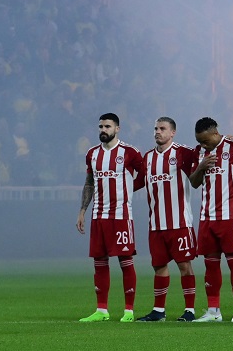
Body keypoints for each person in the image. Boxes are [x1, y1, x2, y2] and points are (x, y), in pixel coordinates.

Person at [75, 113, 144, 323]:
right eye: (100, 127)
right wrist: (82, 211)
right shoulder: (92, 154)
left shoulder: (130, 152)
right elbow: (89, 182)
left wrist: (130, 191)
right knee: (99, 261)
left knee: (125, 260)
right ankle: (101, 310)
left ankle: (129, 311)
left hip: (121, 216)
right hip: (98, 216)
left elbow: (143, 175)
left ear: (117, 129)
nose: (103, 130)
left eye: (107, 126)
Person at [190, 117, 233, 322]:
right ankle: (213, 311)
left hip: (230, 217)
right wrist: (201, 167)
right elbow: (193, 183)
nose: (203, 145)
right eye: (200, 142)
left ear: (215, 133)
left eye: (205, 141)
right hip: (207, 217)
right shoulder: (198, 153)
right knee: (210, 264)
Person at [136, 117, 199, 322]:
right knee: (159, 266)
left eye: (162, 129)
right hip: (156, 224)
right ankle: (159, 311)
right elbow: (136, 183)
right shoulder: (147, 158)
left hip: (179, 223)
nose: (157, 132)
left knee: (184, 265)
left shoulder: (183, 153)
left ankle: (190, 310)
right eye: (155, 128)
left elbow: (205, 152)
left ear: (173, 132)